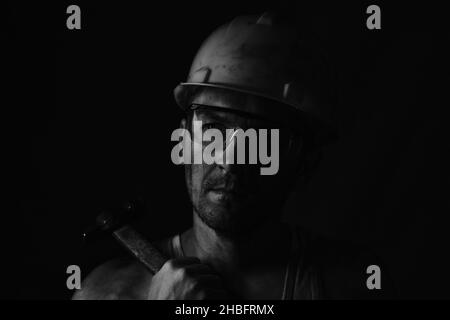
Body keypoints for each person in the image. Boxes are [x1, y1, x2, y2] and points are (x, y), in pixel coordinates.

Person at [74, 12, 394, 300]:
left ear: (306, 163)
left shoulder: (351, 286)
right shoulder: (107, 294)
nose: (231, 161)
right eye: (213, 130)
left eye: (263, 140)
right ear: (184, 138)